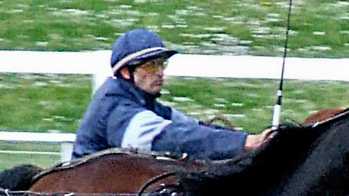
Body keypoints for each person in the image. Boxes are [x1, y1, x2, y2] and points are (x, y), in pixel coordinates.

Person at [72, 28, 272, 159]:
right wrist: (244, 143)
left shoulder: (144, 102)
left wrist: (243, 138)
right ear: (126, 72)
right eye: (150, 66)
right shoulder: (116, 108)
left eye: (161, 64)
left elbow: (192, 128)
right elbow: (171, 139)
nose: (160, 72)